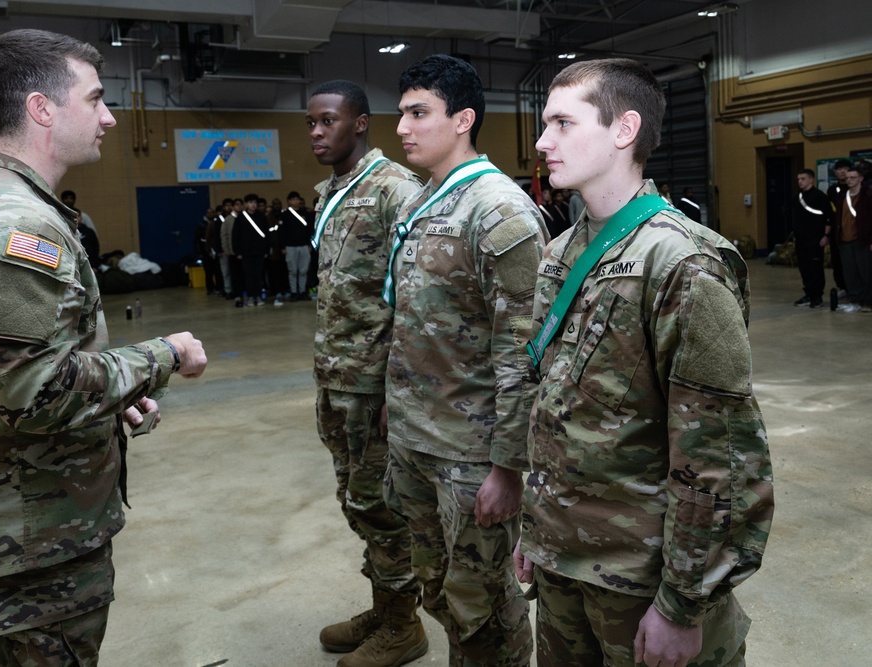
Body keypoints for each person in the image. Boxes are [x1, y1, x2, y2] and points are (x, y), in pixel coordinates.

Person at [0, 29, 208, 666]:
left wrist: (109, 396)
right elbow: (40, 394)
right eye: (96, 99)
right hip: (26, 539)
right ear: (42, 108)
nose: (109, 116)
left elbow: (22, 370)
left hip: (8, 524)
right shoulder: (18, 226)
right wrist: (165, 356)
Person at [516, 58, 774, 667]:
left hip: (639, 577)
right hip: (561, 559)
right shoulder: (561, 253)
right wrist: (538, 527)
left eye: (561, 122)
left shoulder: (683, 263)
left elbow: (718, 456)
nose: (541, 141)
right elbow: (551, 405)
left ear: (624, 129)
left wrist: (685, 604)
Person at [386, 54, 547, 666]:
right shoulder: (418, 204)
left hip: (470, 453)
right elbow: (411, 323)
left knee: (484, 606)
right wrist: (392, 409)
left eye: (418, 113)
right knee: (439, 590)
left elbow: (522, 351)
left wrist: (508, 466)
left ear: (464, 120)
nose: (402, 127)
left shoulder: (499, 212)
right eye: (401, 113)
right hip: (415, 437)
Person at [307, 79, 426, 667]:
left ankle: (404, 624)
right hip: (337, 378)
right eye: (311, 123)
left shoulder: (394, 190)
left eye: (328, 121)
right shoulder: (332, 190)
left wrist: (395, 387)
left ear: (359, 123)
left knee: (381, 504)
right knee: (355, 500)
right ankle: (385, 605)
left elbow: (415, 296)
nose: (316, 133)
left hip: (374, 384)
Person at [834, 167, 872, 312]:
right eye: (847, 178)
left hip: (862, 239)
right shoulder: (842, 195)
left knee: (866, 271)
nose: (848, 180)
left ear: (860, 179)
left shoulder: (868, 195)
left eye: (852, 177)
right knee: (849, 272)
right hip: (845, 239)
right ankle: (854, 299)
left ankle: (867, 301)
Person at [794, 169, 833, 308]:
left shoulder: (820, 196)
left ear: (811, 180)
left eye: (803, 178)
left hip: (815, 238)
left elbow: (829, 218)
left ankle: (817, 296)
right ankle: (808, 294)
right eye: (798, 179)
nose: (800, 181)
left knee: (816, 267)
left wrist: (826, 236)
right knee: (804, 268)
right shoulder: (797, 197)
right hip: (800, 239)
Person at [232, 193, 268, 306]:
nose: (253, 205)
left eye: (255, 203)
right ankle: (251, 296)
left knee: (258, 275)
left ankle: (258, 295)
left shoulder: (261, 217)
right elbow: (235, 236)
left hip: (259, 251)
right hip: (246, 252)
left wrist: (266, 250)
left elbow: (267, 234)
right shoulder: (240, 218)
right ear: (246, 204)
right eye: (250, 203)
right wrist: (237, 251)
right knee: (248, 275)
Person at [279, 190, 314, 301]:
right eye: (293, 199)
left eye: (297, 199)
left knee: (303, 270)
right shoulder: (284, 215)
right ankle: (294, 292)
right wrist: (282, 246)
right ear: (289, 201)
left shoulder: (306, 213)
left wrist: (310, 244)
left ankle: (303, 291)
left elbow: (310, 230)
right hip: (290, 247)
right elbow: (281, 232)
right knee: (292, 271)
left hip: (304, 246)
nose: (295, 201)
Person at [826, 159, 851, 296]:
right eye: (839, 169)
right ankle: (842, 287)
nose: (842, 171)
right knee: (837, 261)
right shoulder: (832, 190)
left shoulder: (855, 189)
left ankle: (853, 288)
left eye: (845, 168)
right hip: (836, 232)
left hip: (852, 232)